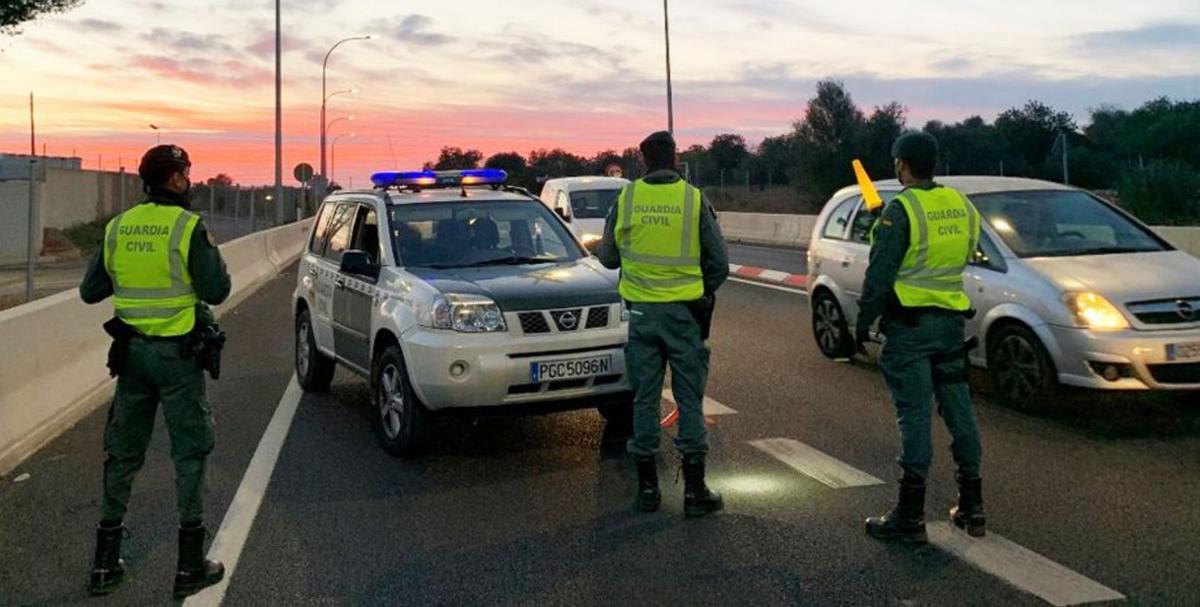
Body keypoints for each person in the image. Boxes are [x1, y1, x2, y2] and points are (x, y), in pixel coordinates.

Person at [80, 144, 231, 597]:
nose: (188, 180)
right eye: (186, 173)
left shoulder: (118, 227)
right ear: (176, 178)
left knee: (123, 453)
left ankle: (104, 564)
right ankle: (189, 566)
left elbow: (91, 291)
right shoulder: (187, 226)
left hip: (131, 356)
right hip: (177, 358)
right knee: (190, 452)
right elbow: (216, 289)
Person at [857, 132, 987, 543]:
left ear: (901, 164)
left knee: (914, 416)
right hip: (950, 327)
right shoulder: (960, 204)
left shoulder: (901, 210)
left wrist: (863, 322)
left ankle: (910, 516)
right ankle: (973, 506)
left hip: (910, 329)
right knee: (960, 412)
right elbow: (968, 251)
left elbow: (880, 273)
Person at [597, 131, 729, 518]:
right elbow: (719, 264)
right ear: (675, 158)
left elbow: (607, 258)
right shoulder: (693, 198)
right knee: (689, 400)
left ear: (643, 160)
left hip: (641, 317)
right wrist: (700, 293)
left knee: (644, 399)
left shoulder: (627, 199)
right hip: (684, 316)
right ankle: (695, 492)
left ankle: (648, 490)